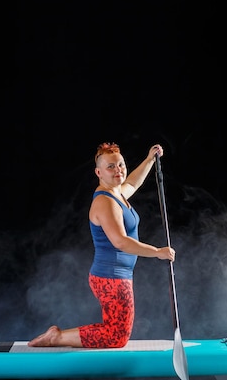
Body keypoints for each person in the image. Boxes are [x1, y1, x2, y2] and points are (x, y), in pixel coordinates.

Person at [28, 142, 175, 348]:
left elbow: (133, 183)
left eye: (121, 165)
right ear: (99, 172)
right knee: (116, 337)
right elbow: (120, 242)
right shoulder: (105, 201)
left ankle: (57, 335)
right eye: (111, 167)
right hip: (110, 278)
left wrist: (150, 159)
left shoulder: (117, 193)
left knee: (116, 333)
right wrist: (157, 252)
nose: (118, 170)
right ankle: (56, 337)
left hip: (118, 276)